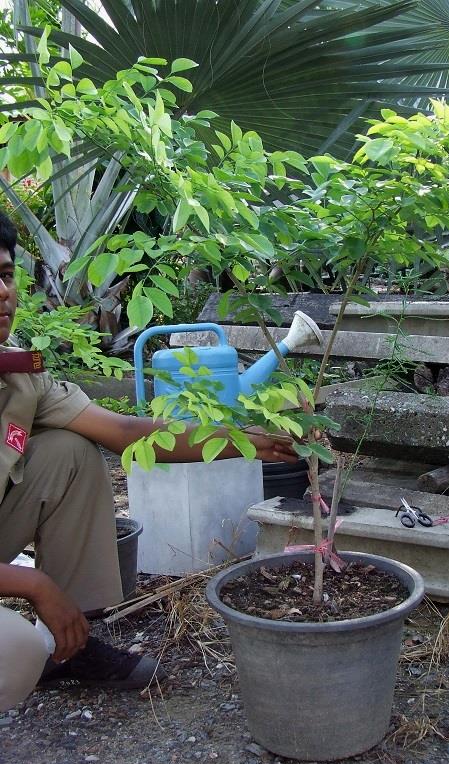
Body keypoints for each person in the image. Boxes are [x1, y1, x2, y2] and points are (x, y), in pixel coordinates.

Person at [0, 209, 297, 712]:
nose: (3, 292)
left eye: (5, 275)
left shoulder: (17, 373)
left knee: (69, 452)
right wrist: (32, 583)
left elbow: (125, 433)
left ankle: (75, 648)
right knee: (15, 652)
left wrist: (246, 439)